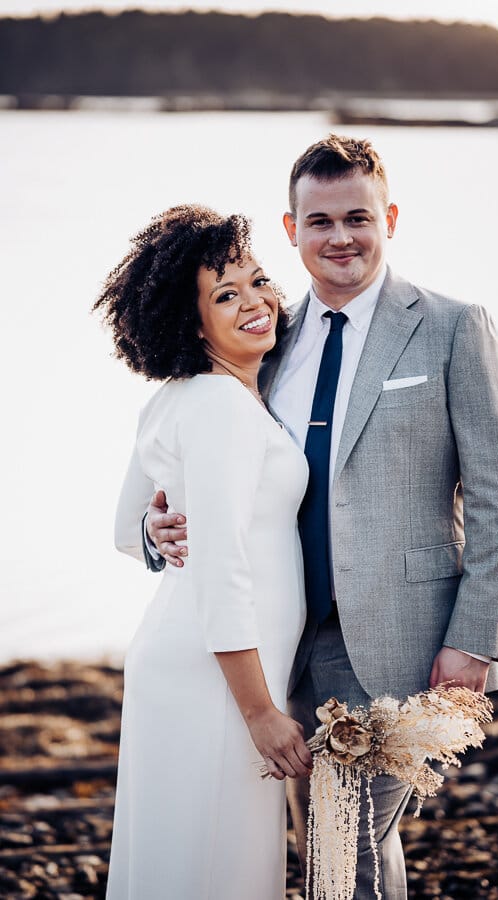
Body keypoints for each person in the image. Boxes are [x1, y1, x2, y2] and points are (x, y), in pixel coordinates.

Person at [142, 136, 498, 899]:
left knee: (342, 840)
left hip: (402, 645)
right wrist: (159, 532)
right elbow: (203, 462)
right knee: (329, 844)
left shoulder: (453, 327)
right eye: (319, 222)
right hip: (283, 641)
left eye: (357, 217)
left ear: (388, 218)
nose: (340, 237)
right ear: (291, 231)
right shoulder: (267, 336)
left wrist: (474, 641)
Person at [93, 204, 313, 900]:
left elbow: (130, 529)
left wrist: (157, 539)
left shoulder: (177, 396)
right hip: (222, 679)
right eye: (225, 295)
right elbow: (221, 567)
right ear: (191, 324)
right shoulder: (219, 404)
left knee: (182, 862)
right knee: (215, 868)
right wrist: (258, 710)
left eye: (257, 281)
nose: (255, 303)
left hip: (187, 655)